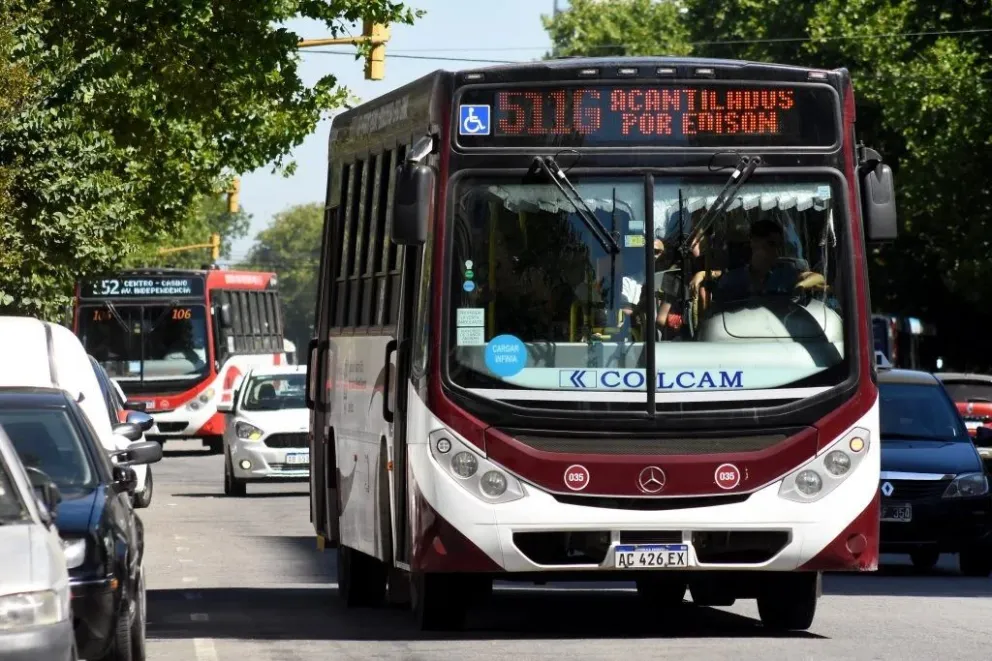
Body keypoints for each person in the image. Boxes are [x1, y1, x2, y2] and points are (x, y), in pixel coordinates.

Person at [689, 218, 811, 304]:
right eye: (771, 244)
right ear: (754, 242)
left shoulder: (787, 274)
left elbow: (817, 279)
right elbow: (720, 315)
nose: (776, 251)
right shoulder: (732, 280)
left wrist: (800, 286)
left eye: (779, 246)